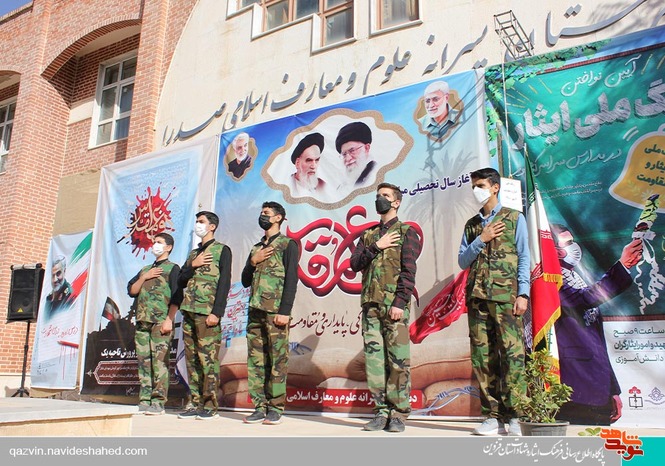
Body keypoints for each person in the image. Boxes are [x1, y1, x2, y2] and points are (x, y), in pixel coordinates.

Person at [458, 167, 530, 436]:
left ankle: (516, 415)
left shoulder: (514, 218)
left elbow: (524, 256)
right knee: (483, 358)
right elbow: (463, 260)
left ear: (495, 187)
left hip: (506, 298)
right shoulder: (472, 225)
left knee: (512, 356)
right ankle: (492, 416)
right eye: (474, 186)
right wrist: (482, 239)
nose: (476, 190)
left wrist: (523, 293)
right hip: (477, 299)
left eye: (480, 185)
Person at [551, 223, 643, 425]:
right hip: (572, 390)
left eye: (572, 241)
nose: (573, 247)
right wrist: (623, 266)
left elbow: (596, 344)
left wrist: (612, 390)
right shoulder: (549, 280)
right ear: (552, 249)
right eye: (566, 243)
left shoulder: (574, 277)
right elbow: (585, 299)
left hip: (597, 389)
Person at [349, 182, 421, 433]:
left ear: (396, 202)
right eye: (378, 195)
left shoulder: (406, 232)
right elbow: (354, 264)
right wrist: (376, 247)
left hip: (394, 307)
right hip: (370, 306)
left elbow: (409, 271)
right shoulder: (368, 235)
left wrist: (400, 302)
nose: (380, 199)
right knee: (375, 362)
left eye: (386, 196)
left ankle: (398, 413)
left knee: (398, 361)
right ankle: (380, 412)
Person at [241, 201, 299, 425]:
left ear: (278, 218)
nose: (262, 216)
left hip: (275, 312)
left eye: (266, 213)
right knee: (256, 360)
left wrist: (285, 311)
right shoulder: (256, 247)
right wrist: (252, 262)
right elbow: (245, 280)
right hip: (255, 310)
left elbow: (292, 280)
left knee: (277, 359)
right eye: (261, 212)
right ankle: (259, 406)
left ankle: (275, 407)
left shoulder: (287, 244)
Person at [177, 211, 232, 420]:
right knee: (192, 360)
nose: (198, 225)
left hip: (207, 313)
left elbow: (224, 282)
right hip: (189, 311)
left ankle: (210, 405)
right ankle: (195, 402)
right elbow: (181, 280)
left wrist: (217, 312)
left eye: (201, 222)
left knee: (207, 359)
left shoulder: (222, 250)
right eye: (197, 221)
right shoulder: (194, 254)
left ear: (212, 226)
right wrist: (193, 265)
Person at [127, 233, 182, 416]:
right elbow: (132, 291)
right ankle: (144, 400)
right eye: (154, 242)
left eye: (159, 242)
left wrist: (169, 320)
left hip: (160, 323)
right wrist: (145, 277)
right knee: (144, 362)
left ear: (168, 247)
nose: (155, 245)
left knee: (159, 363)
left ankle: (158, 402)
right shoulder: (145, 269)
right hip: (143, 322)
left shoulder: (172, 268)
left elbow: (177, 296)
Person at [288, 132, 333, 200]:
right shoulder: (288, 185)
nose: (313, 166)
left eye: (317, 160)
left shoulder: (323, 185)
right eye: (309, 160)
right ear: (297, 163)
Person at [335, 121, 377, 189]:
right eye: (344, 154)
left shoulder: (375, 175)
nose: (348, 159)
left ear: (366, 148)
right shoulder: (342, 187)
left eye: (352, 151)